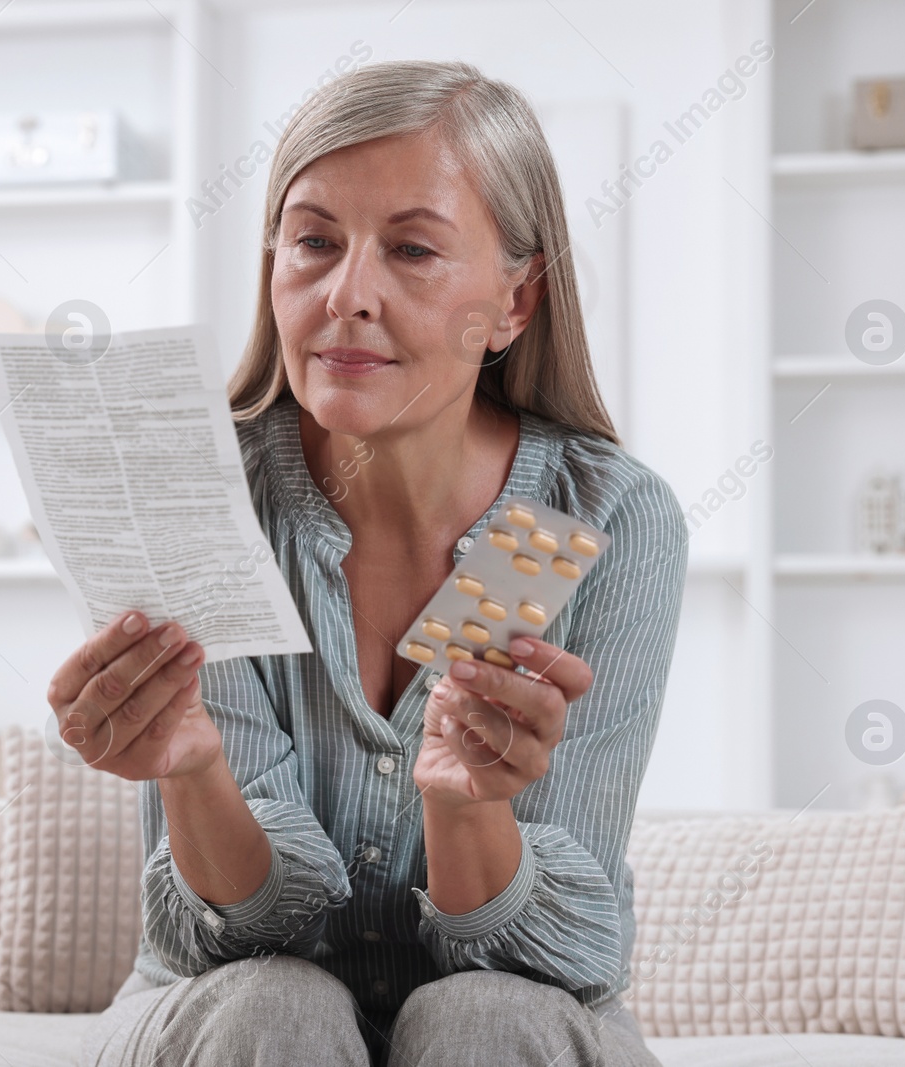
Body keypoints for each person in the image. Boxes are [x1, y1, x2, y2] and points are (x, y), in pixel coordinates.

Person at [54, 58, 686, 1067]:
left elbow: (568, 953)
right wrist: (196, 769)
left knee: (490, 1015)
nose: (347, 295)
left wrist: (466, 806)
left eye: (411, 250)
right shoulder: (199, 491)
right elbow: (232, 943)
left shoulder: (596, 516)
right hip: (234, 1013)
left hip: (514, 1008)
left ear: (515, 300)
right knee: (275, 1005)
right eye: (313, 241)